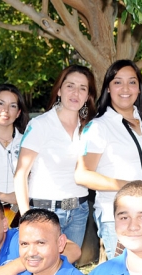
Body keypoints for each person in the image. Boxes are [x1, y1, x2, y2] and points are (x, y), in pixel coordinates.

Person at [74, 60, 142, 260]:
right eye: (117, 82)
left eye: (132, 82)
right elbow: (82, 175)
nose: (125, 89)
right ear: (108, 88)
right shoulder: (98, 127)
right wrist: (134, 186)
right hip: (118, 217)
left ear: (139, 89)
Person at [14, 66, 96, 248]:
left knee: (68, 270)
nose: (76, 93)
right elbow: (21, 174)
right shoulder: (40, 125)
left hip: (79, 211)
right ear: (59, 90)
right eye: (70, 86)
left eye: (83, 88)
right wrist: (27, 217)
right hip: (44, 212)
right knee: (42, 270)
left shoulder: (90, 127)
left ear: (88, 95)